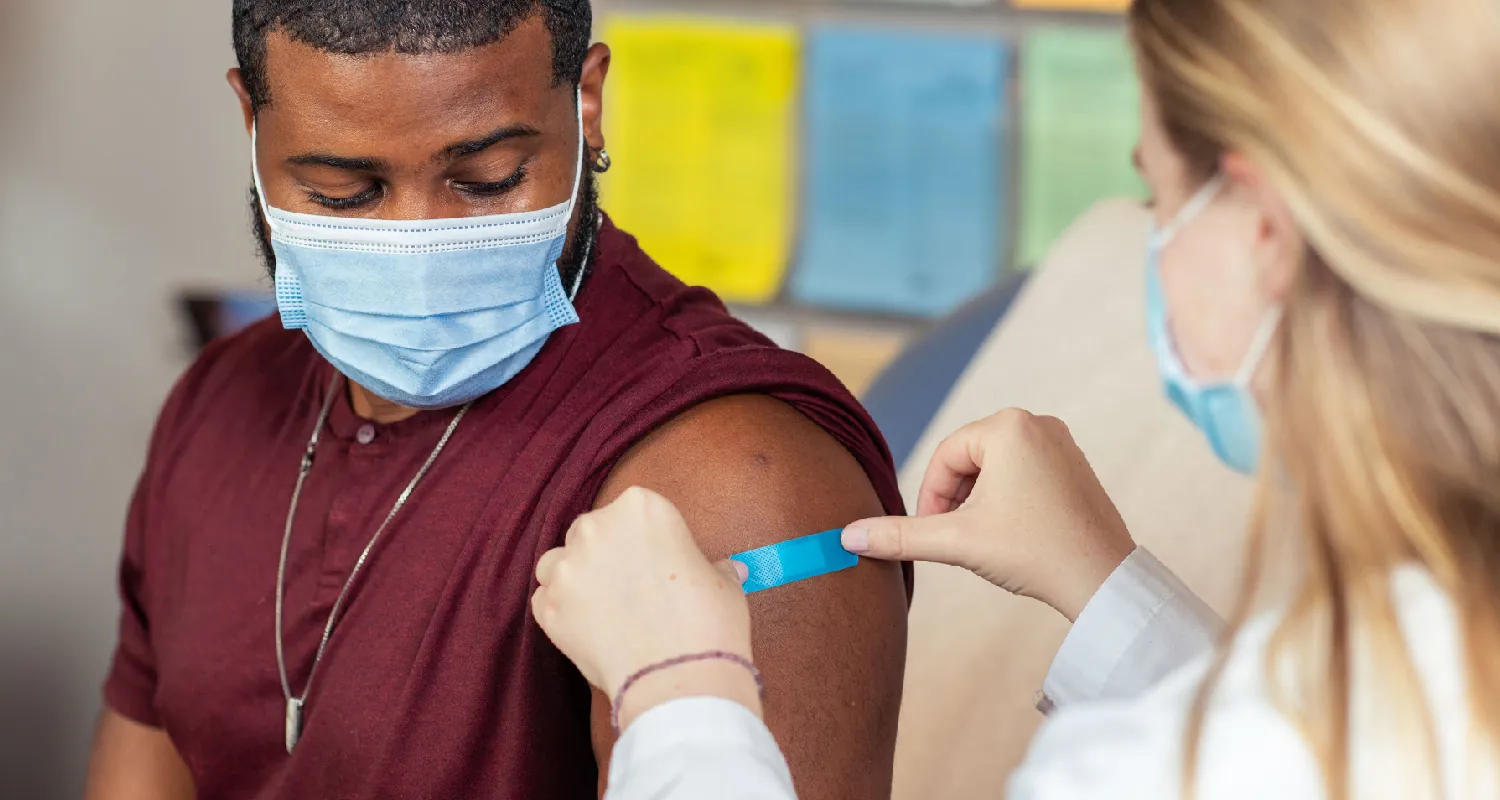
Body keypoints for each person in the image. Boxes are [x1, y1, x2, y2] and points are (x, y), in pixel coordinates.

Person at [531, 0, 1500, 796]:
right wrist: (1107, 586)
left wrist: (680, 692)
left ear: (1265, 233)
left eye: (1155, 201)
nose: (1146, 245)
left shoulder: (1150, 767)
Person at [83, 2, 911, 798]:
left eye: (486, 179)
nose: (419, 244)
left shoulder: (737, 479)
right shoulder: (220, 401)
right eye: (343, 191)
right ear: (252, 125)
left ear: (586, 106)